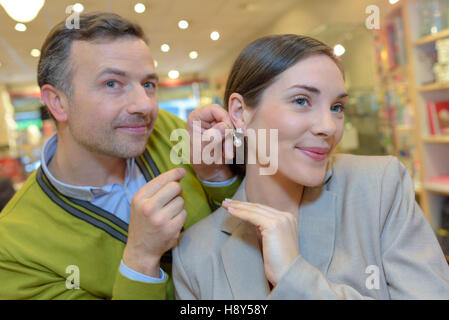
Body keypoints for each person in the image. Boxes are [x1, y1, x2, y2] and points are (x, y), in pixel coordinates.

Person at [173, 34, 449, 299]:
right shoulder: (195, 252)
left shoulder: (378, 188)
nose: (328, 127)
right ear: (239, 113)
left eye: (337, 107)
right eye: (302, 101)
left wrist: (294, 276)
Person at [0, 12, 240, 300]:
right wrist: (141, 258)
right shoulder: (13, 246)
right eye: (112, 83)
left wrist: (215, 176)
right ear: (58, 102)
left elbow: (244, 234)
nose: (144, 105)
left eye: (148, 84)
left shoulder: (170, 131)